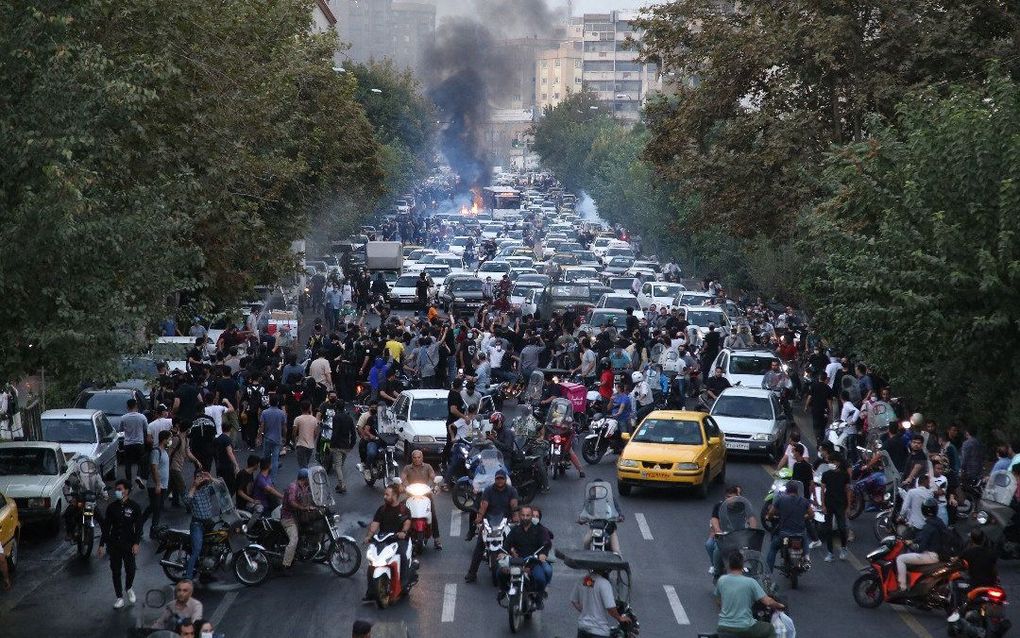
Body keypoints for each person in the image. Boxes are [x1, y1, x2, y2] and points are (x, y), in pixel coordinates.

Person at [465, 468, 519, 583]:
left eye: (502, 479)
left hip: (505, 521)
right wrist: (479, 517)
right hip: (489, 521)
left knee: (513, 545)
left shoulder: (512, 491)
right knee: (480, 545)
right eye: (497, 479)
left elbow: (514, 505)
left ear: (505, 480)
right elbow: (484, 505)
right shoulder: (489, 490)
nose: (499, 481)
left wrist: (515, 516)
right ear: (495, 479)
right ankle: (472, 573)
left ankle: (517, 572)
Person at [714, 551, 785, 638]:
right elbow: (768, 602)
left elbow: (718, 601)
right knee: (769, 628)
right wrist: (779, 605)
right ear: (742, 565)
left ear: (729, 565)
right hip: (744, 628)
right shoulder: (750, 582)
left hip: (723, 628)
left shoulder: (722, 580)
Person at [97, 479, 143, 608]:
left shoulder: (135, 507)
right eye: (116, 489)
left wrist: (136, 543)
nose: (117, 492)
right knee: (115, 571)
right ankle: (119, 597)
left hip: (128, 544)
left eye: (120, 489)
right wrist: (101, 545)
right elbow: (106, 528)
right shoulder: (112, 508)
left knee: (131, 569)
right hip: (114, 544)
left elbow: (138, 527)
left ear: (127, 491)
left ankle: (128, 587)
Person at [362, 485, 412, 600]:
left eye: (387, 495)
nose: (384, 497)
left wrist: (403, 532)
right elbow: (375, 525)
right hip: (383, 539)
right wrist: (369, 536)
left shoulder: (403, 509)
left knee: (402, 555)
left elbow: (407, 523)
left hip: (399, 540)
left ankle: (404, 584)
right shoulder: (382, 509)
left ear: (394, 496)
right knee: (372, 562)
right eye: (385, 494)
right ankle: (370, 591)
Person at [499, 505, 552, 608]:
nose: (525, 517)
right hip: (517, 561)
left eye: (528, 515)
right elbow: (507, 543)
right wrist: (503, 553)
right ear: (519, 516)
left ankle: (538, 599)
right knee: (500, 572)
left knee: (540, 579)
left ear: (531, 516)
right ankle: (504, 591)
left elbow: (546, 543)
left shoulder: (539, 530)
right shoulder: (515, 530)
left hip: (532, 562)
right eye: (523, 515)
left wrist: (543, 554)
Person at [895, 497, 945, 591]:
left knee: (900, 559)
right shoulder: (938, 522)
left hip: (930, 555)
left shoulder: (928, 526)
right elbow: (924, 537)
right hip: (938, 553)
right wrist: (913, 540)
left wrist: (912, 545)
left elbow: (921, 548)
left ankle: (902, 587)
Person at [571, 565, 633, 638]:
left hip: (582, 629)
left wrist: (586, 611)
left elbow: (574, 601)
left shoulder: (583, 580)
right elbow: (610, 608)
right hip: (598, 631)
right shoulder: (604, 583)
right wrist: (620, 618)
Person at [765, 481, 813, 574]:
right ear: (797, 491)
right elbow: (812, 514)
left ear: (786, 490)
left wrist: (769, 517)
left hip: (784, 536)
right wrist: (803, 517)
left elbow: (771, 513)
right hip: (800, 534)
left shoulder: (781, 500)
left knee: (773, 548)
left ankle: (767, 574)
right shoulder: (804, 501)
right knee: (805, 538)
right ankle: (807, 558)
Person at [399, 449, 442, 550]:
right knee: (401, 513)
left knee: (433, 514)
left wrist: (436, 484)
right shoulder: (407, 468)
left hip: (426, 495)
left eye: (419, 457)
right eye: (415, 457)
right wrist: (401, 485)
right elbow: (403, 478)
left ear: (422, 458)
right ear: (412, 458)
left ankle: (437, 539)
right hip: (411, 495)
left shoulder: (427, 467)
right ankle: (400, 534)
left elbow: (433, 476)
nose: (417, 459)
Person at [319, 391, 355, 494]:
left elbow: (335, 432)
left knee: (338, 467)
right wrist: (351, 445)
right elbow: (353, 432)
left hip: (338, 446)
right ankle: (339, 484)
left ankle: (342, 484)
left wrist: (332, 445)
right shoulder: (349, 417)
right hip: (346, 446)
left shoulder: (336, 418)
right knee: (340, 465)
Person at [183, 471, 216, 581]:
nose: (200, 479)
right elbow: (187, 501)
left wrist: (210, 478)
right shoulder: (192, 492)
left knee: (210, 548)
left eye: (202, 477)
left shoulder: (207, 489)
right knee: (197, 549)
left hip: (209, 523)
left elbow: (221, 488)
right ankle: (188, 577)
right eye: (198, 477)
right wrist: (194, 486)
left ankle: (205, 574)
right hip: (197, 524)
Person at [281, 468, 316, 573]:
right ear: (305, 479)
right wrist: (304, 508)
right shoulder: (293, 487)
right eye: (308, 478)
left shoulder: (305, 487)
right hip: (288, 518)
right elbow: (292, 502)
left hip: (299, 516)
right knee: (294, 540)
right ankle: (285, 565)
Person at [820, 455, 851, 561]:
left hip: (841, 504)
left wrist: (848, 506)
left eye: (832, 462)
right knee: (828, 529)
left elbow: (848, 491)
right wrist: (823, 505)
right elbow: (822, 490)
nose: (830, 464)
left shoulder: (845, 475)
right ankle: (830, 553)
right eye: (830, 462)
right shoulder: (826, 475)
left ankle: (844, 547)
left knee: (842, 528)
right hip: (829, 504)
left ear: (838, 463)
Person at [143, 430, 171, 539]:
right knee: (155, 508)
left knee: (155, 507)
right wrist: (158, 484)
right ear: (164, 440)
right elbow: (154, 468)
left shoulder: (164, 451)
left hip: (163, 485)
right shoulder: (156, 451)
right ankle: (152, 529)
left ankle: (145, 526)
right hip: (155, 485)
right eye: (169, 439)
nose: (170, 441)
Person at [258, 395, 287, 482]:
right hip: (277, 439)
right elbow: (284, 427)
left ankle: (263, 476)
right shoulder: (282, 413)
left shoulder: (265, 412)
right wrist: (284, 437)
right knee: (275, 460)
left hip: (267, 438)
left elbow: (262, 426)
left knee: (265, 458)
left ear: (269, 402)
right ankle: (272, 480)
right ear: (278, 402)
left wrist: (259, 437)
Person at [120, 398, 148, 484]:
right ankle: (138, 476)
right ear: (136, 406)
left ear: (127, 407)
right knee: (141, 461)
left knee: (128, 463)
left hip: (128, 443)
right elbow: (146, 429)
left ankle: (129, 483)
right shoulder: (142, 417)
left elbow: (120, 429)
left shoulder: (123, 418)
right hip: (139, 443)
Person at [213, 420, 239, 494]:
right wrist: (236, 465)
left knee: (223, 485)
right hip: (227, 465)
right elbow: (230, 453)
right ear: (230, 429)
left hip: (219, 465)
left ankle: (224, 502)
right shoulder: (227, 440)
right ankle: (229, 503)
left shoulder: (217, 439)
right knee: (232, 486)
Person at [292, 400, 319, 469]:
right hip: (310, 446)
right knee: (306, 463)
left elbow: (294, 432)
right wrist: (313, 440)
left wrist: (295, 441)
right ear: (310, 408)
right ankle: (306, 478)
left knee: (302, 466)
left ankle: (304, 479)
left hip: (301, 445)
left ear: (301, 408)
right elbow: (316, 433)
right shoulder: (314, 419)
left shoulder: (297, 419)